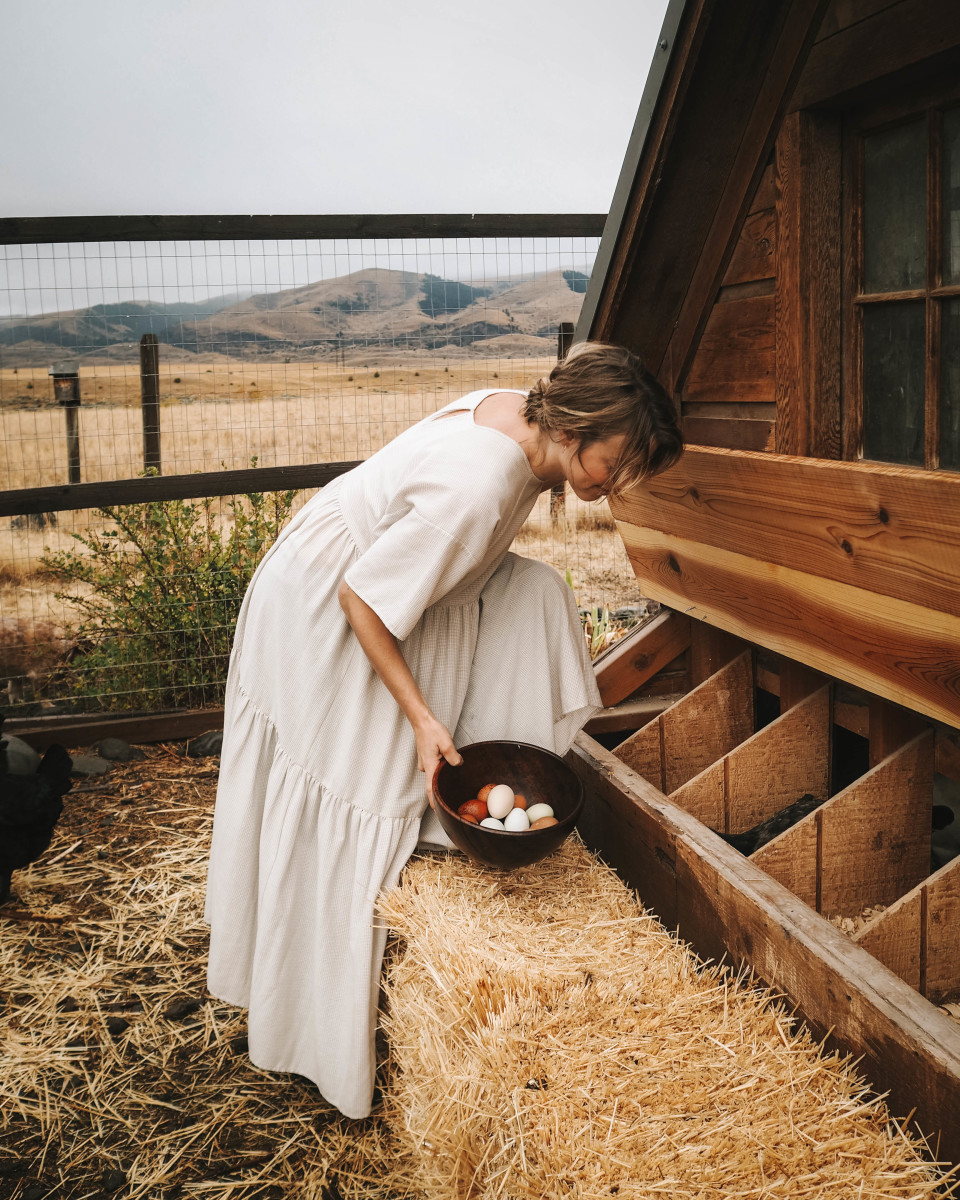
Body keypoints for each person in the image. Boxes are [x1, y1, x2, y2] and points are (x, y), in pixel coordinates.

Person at [204, 342, 683, 1118]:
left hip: (360, 577)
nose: (618, 484)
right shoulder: (481, 483)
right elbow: (362, 599)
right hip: (330, 605)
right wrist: (424, 719)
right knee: (362, 784)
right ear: (579, 426)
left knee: (535, 591)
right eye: (618, 461)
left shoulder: (521, 418)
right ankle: (313, 1039)